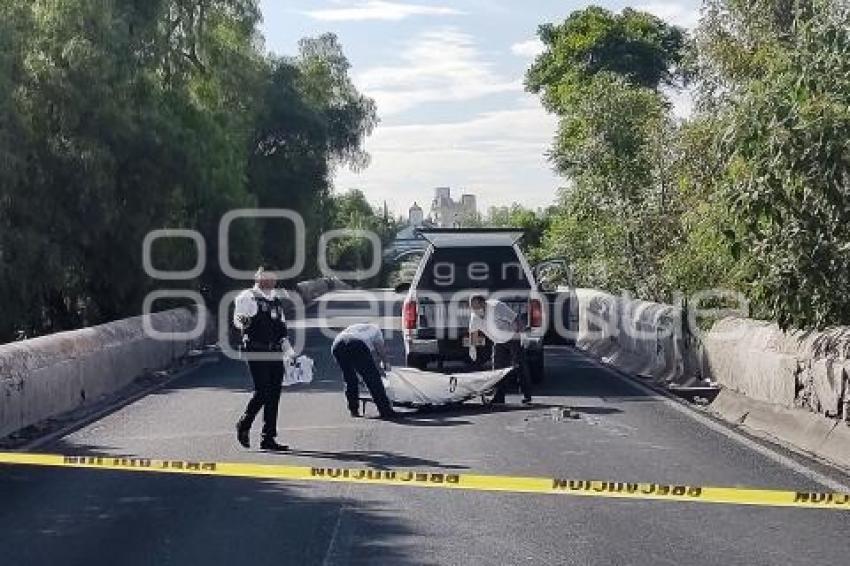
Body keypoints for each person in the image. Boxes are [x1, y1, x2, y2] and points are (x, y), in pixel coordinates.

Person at [233, 267, 292, 451]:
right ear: (258, 278)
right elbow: (238, 319)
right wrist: (242, 321)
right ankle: (244, 422)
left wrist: (289, 353)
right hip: (256, 350)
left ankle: (268, 437)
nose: (271, 282)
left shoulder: (275, 300)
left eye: (273, 278)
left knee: (274, 394)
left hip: (275, 351)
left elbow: (282, 329)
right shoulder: (247, 297)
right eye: (267, 278)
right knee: (263, 391)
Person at [468, 294, 532, 405]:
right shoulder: (474, 316)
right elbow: (473, 333)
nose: (475, 310)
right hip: (498, 341)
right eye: (473, 308)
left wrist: (522, 335)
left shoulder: (497, 307)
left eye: (477, 307)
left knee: (519, 366)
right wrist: (472, 349)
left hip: (512, 338)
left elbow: (516, 319)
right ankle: (499, 397)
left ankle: (527, 395)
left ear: (484, 303)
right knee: (498, 370)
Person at [331, 323, 397, 419]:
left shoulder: (356, 328)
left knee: (350, 378)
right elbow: (380, 349)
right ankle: (385, 411)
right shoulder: (377, 331)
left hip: (337, 345)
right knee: (372, 378)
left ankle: (354, 410)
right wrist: (386, 363)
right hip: (356, 343)